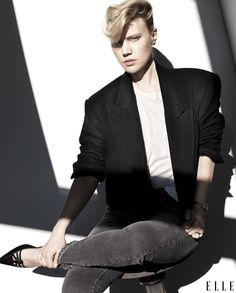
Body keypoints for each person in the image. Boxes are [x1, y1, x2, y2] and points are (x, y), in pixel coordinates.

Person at [0, 0, 224, 292]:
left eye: (134, 38)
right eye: (118, 43)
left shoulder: (199, 85)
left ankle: (39, 255)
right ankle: (51, 251)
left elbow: (208, 146)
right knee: (77, 283)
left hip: (177, 213)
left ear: (153, 35)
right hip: (124, 212)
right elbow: (88, 170)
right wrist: (59, 231)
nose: (126, 51)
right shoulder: (101, 105)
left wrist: (199, 205)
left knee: (139, 238)